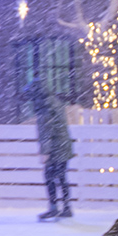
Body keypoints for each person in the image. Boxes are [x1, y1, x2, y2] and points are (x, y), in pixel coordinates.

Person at [37, 92, 73, 221]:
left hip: (55, 148)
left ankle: (53, 208)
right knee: (61, 177)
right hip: (63, 145)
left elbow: (46, 131)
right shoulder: (55, 103)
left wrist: (45, 152)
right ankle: (67, 207)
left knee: (49, 176)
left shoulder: (44, 107)